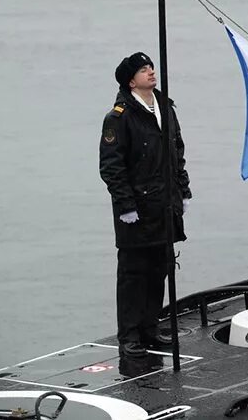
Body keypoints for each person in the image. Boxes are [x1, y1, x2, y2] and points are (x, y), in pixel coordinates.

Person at [99, 52, 191, 359]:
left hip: (165, 206)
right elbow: (111, 166)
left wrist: (183, 190)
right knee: (133, 274)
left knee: (160, 269)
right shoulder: (120, 117)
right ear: (130, 80)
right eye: (143, 69)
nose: (151, 72)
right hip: (137, 211)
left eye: (151, 66)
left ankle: (150, 327)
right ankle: (129, 334)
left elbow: (176, 150)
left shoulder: (165, 107)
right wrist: (126, 205)